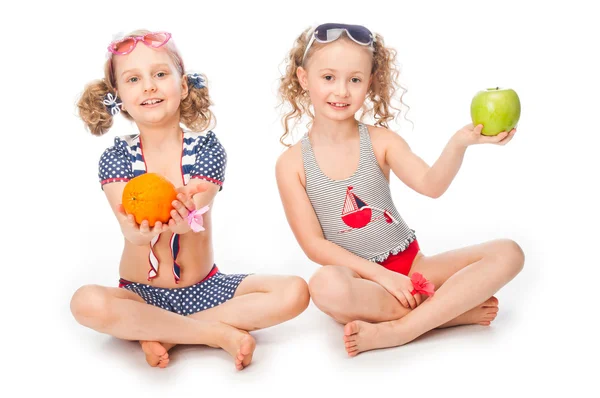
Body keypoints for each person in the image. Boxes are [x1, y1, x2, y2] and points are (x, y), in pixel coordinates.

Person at [275, 23, 524, 356]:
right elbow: (314, 245)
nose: (342, 91)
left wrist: (460, 142)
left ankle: (402, 329)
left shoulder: (381, 142)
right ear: (304, 79)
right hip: (362, 282)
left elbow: (431, 185)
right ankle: (448, 313)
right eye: (328, 77)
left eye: (355, 79)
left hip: (413, 267)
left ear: (370, 83)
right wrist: (382, 278)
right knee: (323, 286)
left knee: (509, 252)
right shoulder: (291, 164)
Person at [70, 30, 310, 370]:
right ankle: (214, 333)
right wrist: (139, 232)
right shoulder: (117, 158)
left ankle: (168, 334)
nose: (149, 86)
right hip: (141, 296)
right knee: (85, 302)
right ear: (118, 97)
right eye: (134, 79)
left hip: (206, 288)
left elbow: (195, 211)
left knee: (295, 291)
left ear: (182, 86)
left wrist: (185, 220)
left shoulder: (207, 150)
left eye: (160, 74)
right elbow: (132, 232)